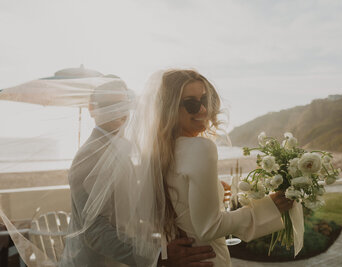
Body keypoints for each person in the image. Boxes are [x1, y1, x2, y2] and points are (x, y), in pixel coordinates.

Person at [145, 69, 293, 267]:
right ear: (170, 108)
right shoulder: (201, 147)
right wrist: (268, 207)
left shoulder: (160, 152)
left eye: (205, 100)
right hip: (208, 258)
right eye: (191, 103)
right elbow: (209, 228)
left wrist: (217, 188)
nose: (203, 110)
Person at [61, 79, 216, 267]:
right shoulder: (88, 157)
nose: (118, 111)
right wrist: (159, 256)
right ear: (91, 109)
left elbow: (133, 205)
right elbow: (95, 232)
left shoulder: (121, 147)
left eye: (123, 104)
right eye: (110, 105)